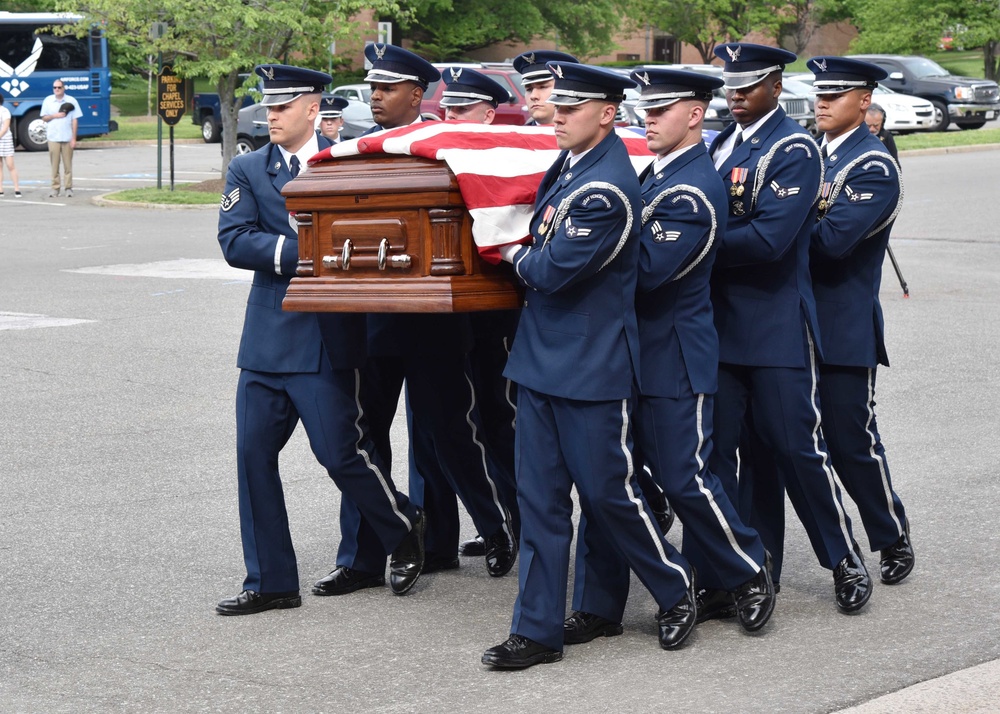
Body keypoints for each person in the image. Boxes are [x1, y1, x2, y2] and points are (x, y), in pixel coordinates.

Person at [482, 63, 697, 671]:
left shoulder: (605, 188)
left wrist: (508, 253)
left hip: (591, 368)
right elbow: (545, 245)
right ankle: (537, 630)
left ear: (607, 114)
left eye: (572, 108)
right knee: (541, 504)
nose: (556, 116)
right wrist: (527, 248)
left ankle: (676, 585)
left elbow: (549, 271)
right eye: (557, 106)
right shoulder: (569, 167)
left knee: (610, 497)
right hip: (540, 363)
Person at [562, 67, 778, 648]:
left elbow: (647, 274)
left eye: (662, 110)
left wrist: (579, 252)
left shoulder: (692, 189)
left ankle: (746, 569)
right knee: (612, 482)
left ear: (694, 115)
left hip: (673, 358)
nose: (648, 120)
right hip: (627, 354)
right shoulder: (649, 175)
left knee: (685, 479)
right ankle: (599, 604)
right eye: (645, 110)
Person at [215, 63, 426, 615]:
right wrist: (302, 256)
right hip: (267, 337)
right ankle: (271, 581)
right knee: (252, 457)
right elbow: (235, 241)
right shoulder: (248, 168)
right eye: (268, 106)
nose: (271, 115)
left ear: (313, 109)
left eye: (283, 106)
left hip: (329, 336)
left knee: (341, 454)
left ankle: (401, 525)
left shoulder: (353, 164)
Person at [314, 44, 516, 598]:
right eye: (372, 87)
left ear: (418, 95)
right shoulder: (354, 151)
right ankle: (364, 556)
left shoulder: (446, 147)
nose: (375, 96)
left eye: (388, 88)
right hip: (372, 315)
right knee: (367, 438)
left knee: (451, 431)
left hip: (434, 317)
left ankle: (498, 527)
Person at [704, 43, 871, 616]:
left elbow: (770, 240)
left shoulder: (793, 147)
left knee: (796, 449)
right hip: (721, 326)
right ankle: (741, 571)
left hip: (775, 324)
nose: (737, 95)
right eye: (731, 86)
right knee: (718, 457)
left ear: (776, 85)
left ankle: (843, 558)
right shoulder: (724, 141)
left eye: (749, 86)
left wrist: (700, 244)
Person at [807, 56, 914, 585]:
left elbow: (830, 244)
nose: (822, 102)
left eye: (837, 94)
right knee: (798, 446)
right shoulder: (810, 155)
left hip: (840, 324)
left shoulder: (871, 165)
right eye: (820, 94)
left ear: (865, 100)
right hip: (790, 325)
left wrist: (775, 223)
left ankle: (890, 533)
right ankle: (838, 548)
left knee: (850, 442)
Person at [512, 50, 578, 126]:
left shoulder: (585, 136)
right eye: (529, 89)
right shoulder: (521, 136)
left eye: (542, 87)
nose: (533, 96)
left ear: (565, 89)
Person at [40, 79, 82, 198]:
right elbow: (43, 117)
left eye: (59, 87)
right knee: (54, 164)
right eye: (55, 88)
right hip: (53, 137)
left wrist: (73, 138)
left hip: (67, 137)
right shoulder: (48, 100)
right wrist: (54, 115)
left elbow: (75, 120)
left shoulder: (71, 101)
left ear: (64, 88)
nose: (57, 89)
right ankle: (55, 188)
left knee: (68, 164)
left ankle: (68, 188)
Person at [0, 94, 22, 197]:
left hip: (5, 139)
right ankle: (0, 190)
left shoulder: (4, 111)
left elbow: (5, 126)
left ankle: (17, 189)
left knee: (10, 165)